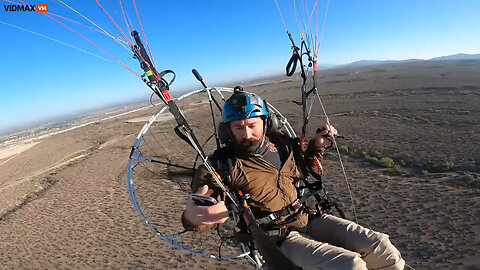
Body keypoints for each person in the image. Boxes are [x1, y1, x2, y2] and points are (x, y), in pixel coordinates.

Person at [182, 87, 405, 269]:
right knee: (351, 265)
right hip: (278, 238)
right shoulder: (220, 165)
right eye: (238, 127)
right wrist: (193, 217)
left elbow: (305, 169)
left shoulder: (280, 144)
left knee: (381, 246)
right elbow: (200, 209)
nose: (246, 134)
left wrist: (317, 146)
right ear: (227, 130)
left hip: (307, 218)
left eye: (252, 125)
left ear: (266, 123)